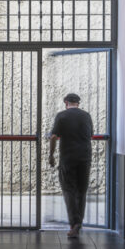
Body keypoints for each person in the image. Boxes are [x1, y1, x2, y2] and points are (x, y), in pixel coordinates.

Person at [49, 92, 93, 238]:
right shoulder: (86, 116)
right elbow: (91, 135)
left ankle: (74, 224)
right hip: (85, 158)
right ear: (78, 103)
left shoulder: (61, 116)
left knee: (69, 190)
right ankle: (78, 223)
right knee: (81, 191)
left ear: (65, 103)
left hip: (68, 159)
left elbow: (54, 137)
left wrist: (51, 155)